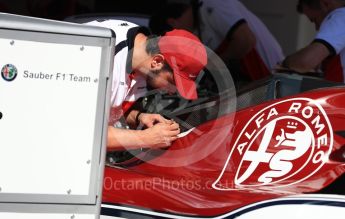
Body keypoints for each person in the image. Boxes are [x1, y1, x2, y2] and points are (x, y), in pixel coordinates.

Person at [84, 20, 207, 151]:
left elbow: (116, 108)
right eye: (172, 82)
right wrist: (145, 138)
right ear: (157, 61)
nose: (172, 92)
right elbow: (82, 133)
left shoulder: (142, 54)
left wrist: (139, 117)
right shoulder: (100, 59)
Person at [149, 0, 284, 86]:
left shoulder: (213, 4)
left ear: (172, 23)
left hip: (271, 75)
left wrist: (214, 64)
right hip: (259, 82)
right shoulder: (199, 28)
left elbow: (245, 41)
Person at [281, 0, 345, 83]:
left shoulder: (341, 16)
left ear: (325, 4)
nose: (317, 28)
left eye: (314, 20)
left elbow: (304, 62)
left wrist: (286, 62)